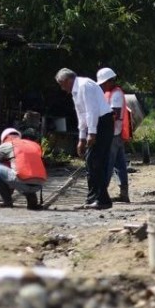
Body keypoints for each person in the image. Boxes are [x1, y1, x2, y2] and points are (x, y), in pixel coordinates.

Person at [55, 68, 114, 209]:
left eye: (62, 84)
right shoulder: (76, 91)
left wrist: (92, 133)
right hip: (95, 124)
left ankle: (103, 200)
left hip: (102, 123)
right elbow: (81, 114)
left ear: (68, 80)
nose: (62, 88)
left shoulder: (84, 85)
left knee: (96, 162)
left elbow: (92, 110)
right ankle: (92, 197)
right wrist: (81, 138)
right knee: (90, 162)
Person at [0, 128, 47, 210]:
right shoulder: (34, 144)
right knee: (22, 171)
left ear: (4, 138)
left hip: (22, 181)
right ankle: (31, 198)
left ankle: (7, 201)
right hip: (40, 183)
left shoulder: (7, 144)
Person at [96, 67, 130, 203]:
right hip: (116, 134)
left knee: (108, 164)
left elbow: (114, 113)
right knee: (120, 164)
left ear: (110, 81)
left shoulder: (115, 94)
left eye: (104, 83)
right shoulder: (110, 92)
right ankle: (124, 194)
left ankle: (102, 194)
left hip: (113, 134)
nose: (103, 86)